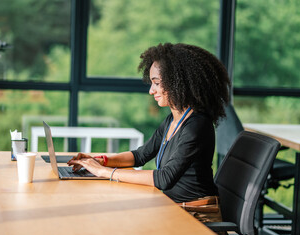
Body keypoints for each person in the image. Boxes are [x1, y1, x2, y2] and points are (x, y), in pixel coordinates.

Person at [68, 42, 231, 223]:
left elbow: (164, 179)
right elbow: (140, 155)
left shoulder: (197, 126)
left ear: (179, 83)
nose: (151, 90)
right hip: (176, 208)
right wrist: (99, 161)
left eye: (157, 83)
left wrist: (105, 172)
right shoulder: (173, 120)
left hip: (198, 215)